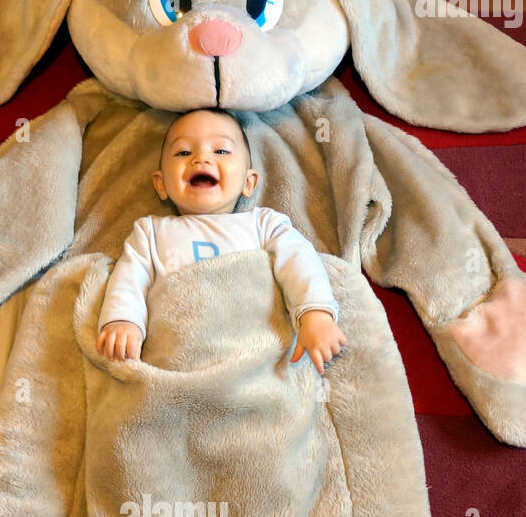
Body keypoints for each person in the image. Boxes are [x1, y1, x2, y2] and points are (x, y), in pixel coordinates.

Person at [96, 107, 347, 374]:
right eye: (183, 152)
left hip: (254, 356)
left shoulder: (264, 224)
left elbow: (299, 261)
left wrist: (315, 314)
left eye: (221, 151)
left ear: (248, 183)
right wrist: (123, 321)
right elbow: (129, 279)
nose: (201, 159)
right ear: (161, 185)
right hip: (180, 360)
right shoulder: (150, 232)